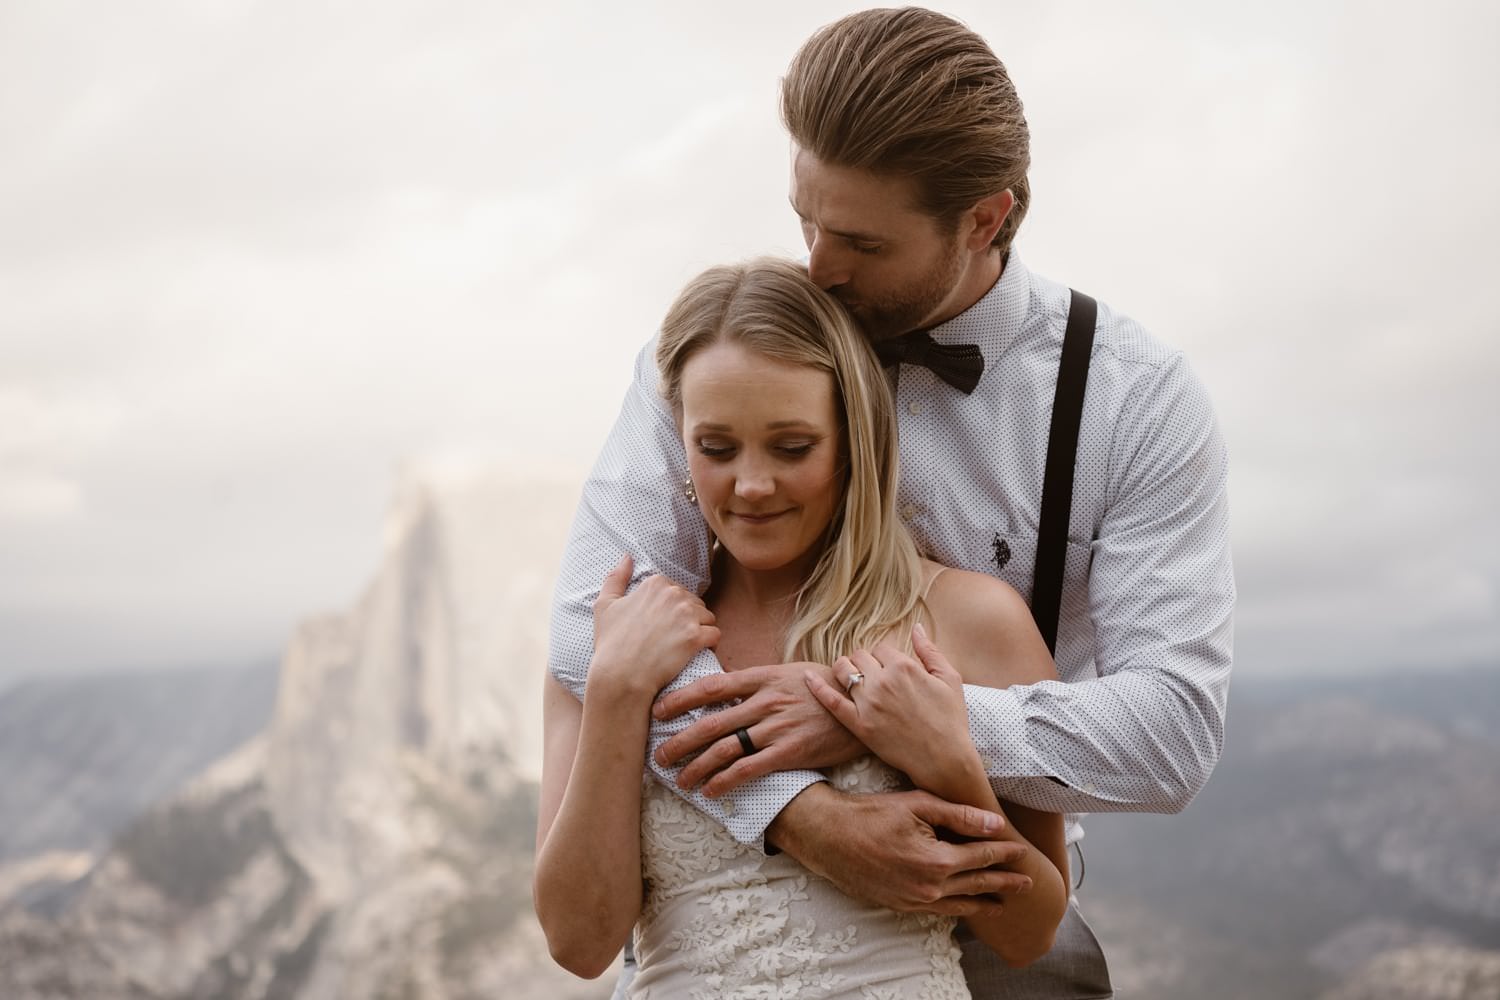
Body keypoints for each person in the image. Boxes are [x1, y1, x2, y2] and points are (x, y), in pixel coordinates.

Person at [548, 8, 1234, 998]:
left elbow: (1170, 733)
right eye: (806, 219)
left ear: (985, 219)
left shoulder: (1135, 400)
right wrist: (795, 812)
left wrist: (897, 719)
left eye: (860, 241)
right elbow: (589, 628)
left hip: (986, 888)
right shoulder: (727, 356)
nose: (820, 265)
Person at [535, 257, 1070, 997]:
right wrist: (620, 690)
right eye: (716, 448)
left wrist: (952, 761)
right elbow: (580, 941)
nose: (752, 485)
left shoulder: (967, 618)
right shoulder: (622, 635)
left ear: (853, 440)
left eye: (792, 448)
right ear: (679, 446)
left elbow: (1030, 933)